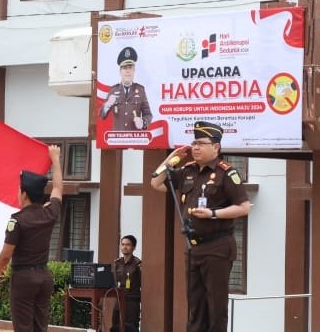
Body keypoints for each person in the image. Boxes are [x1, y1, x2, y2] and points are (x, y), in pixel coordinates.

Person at [149, 121, 251, 332]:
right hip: (193, 248)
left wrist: (213, 214)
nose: (195, 148)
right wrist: (172, 157)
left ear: (216, 147)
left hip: (218, 247)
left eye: (201, 144)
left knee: (216, 305)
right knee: (195, 305)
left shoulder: (226, 173)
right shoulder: (187, 171)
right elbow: (156, 183)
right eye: (194, 143)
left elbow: (243, 207)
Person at [0, 145, 64, 332]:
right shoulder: (49, 213)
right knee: (40, 327)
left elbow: (6, 255)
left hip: (24, 278)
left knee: (23, 327)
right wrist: (55, 159)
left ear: (24, 194)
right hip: (44, 277)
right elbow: (58, 188)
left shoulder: (17, 220)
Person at [100, 47, 152, 131]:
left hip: (135, 137)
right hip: (117, 138)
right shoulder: (113, 90)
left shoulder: (140, 90)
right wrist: (107, 105)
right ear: (120, 71)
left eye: (130, 67)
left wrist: (143, 122)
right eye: (125, 68)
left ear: (134, 70)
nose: (128, 71)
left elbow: (148, 114)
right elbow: (102, 115)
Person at [111, 235, 142, 332]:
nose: (124, 247)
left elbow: (143, 283)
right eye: (123, 244)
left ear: (134, 247)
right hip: (119, 300)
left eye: (128, 245)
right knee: (116, 326)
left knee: (131, 327)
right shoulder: (117, 263)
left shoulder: (138, 264)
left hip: (132, 301)